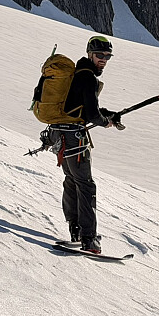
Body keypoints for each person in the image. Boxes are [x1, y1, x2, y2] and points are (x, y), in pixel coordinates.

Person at [55, 35, 122, 254]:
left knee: (72, 180)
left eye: (107, 56)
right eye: (100, 55)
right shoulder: (88, 78)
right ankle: (89, 239)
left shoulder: (77, 74)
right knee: (85, 185)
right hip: (75, 140)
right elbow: (92, 114)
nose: (104, 59)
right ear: (89, 53)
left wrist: (108, 115)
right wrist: (105, 122)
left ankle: (75, 229)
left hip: (59, 136)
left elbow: (81, 107)